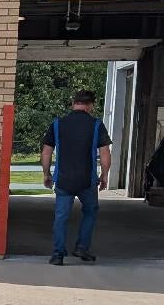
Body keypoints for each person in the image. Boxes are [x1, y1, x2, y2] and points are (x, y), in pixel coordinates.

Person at [40, 87, 112, 265]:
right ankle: (82, 246)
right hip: (86, 180)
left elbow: (47, 152)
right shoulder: (96, 124)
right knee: (90, 210)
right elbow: (105, 153)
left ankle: (58, 255)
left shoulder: (57, 124)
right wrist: (104, 175)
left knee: (61, 216)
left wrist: (46, 173)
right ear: (91, 106)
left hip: (64, 179)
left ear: (74, 104)